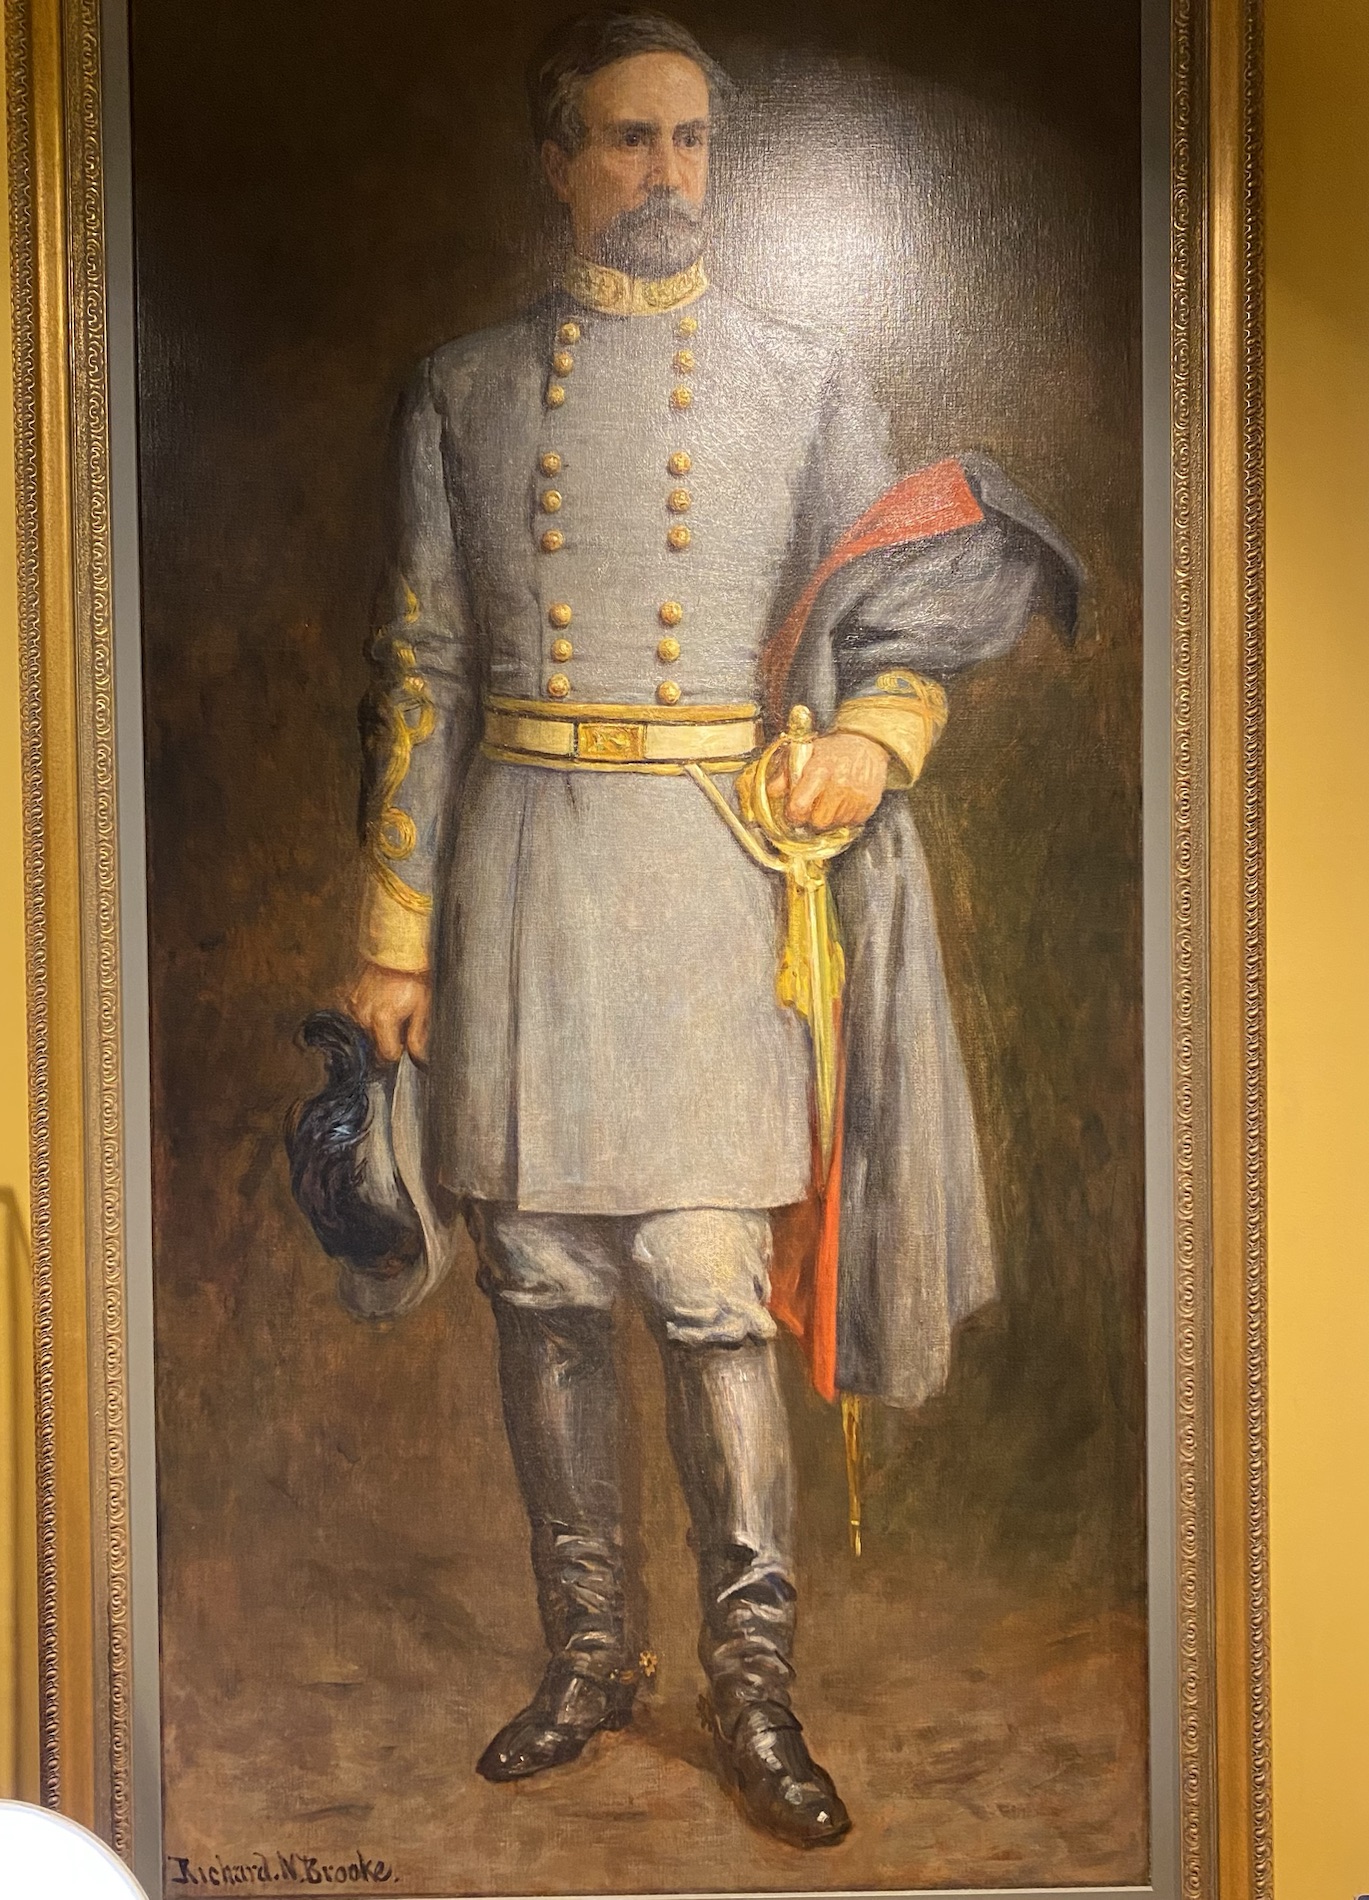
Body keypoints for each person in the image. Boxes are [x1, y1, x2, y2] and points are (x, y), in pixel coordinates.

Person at [346, 6, 1077, 1849]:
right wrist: (395, 932)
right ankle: (590, 1656)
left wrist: (869, 739)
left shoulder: (806, 379)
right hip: (527, 868)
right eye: (625, 137)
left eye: (688, 139)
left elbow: (892, 613)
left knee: (701, 1282)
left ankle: (751, 1686)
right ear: (558, 163)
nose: (663, 171)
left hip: (712, 874)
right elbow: (423, 671)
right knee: (539, 1281)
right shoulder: (462, 388)